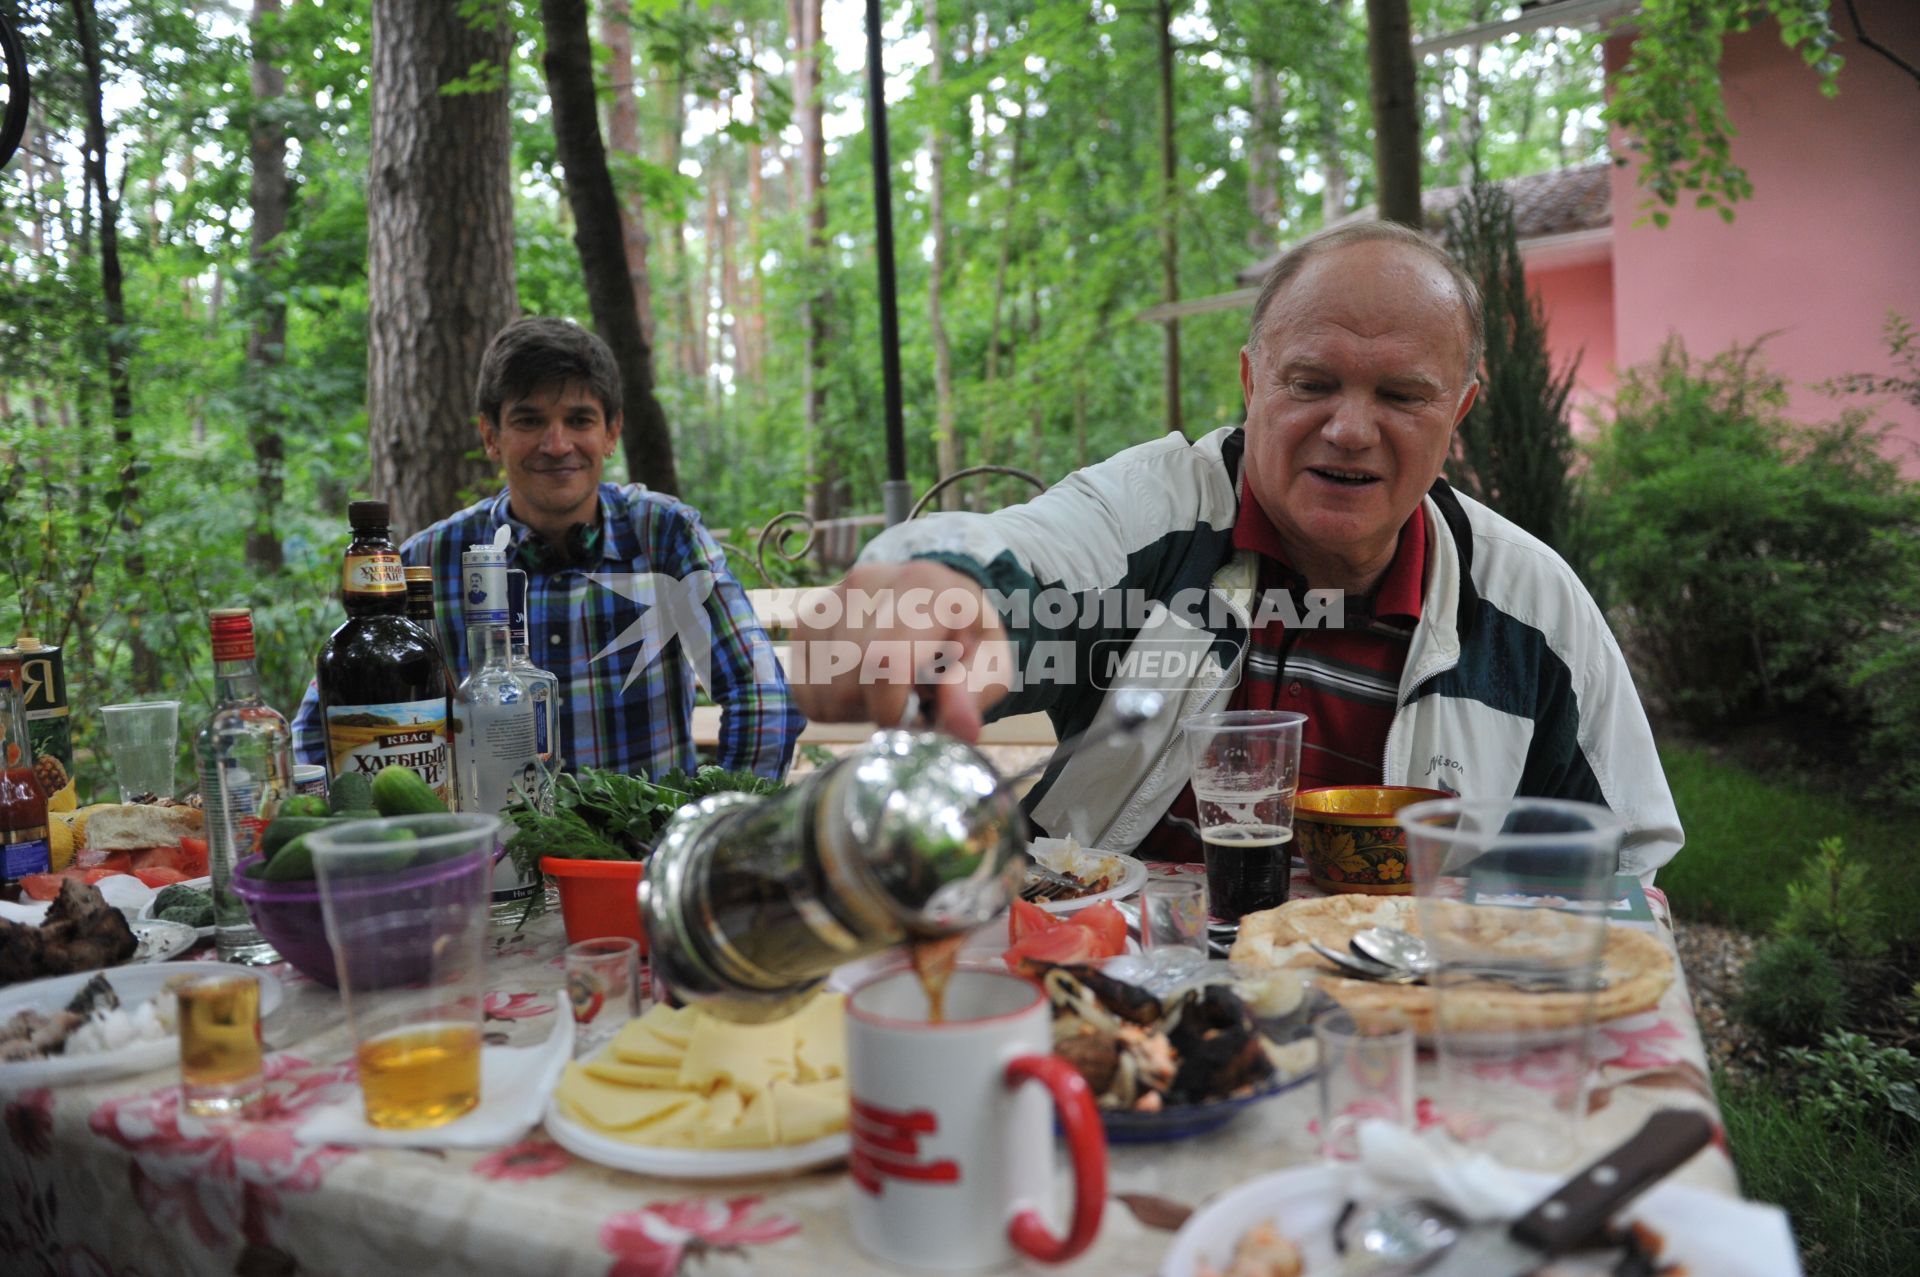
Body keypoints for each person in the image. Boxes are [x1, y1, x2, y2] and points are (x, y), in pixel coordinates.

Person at [789, 223, 1682, 881]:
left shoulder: (1535, 613)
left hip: (1397, 1045)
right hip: (1104, 1007)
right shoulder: (1158, 513)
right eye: (1312, 382)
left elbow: (1627, 866)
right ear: (1253, 382)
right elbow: (1028, 551)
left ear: (1461, 412)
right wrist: (936, 585)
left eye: (1403, 395)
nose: (1349, 428)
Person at [294, 316, 803, 780]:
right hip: (492, 865)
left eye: (579, 420)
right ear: (491, 435)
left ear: (612, 433)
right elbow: (319, 732)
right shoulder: (430, 562)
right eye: (529, 420)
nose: (557, 445)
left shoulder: (663, 534)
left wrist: (714, 837)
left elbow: (761, 694)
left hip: (640, 858)